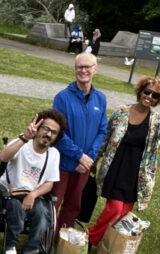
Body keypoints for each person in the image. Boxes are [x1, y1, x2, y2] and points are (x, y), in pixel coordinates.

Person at [88, 77, 160, 246]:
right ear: (140, 90)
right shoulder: (121, 112)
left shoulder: (156, 120)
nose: (150, 96)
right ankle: (91, 237)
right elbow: (106, 137)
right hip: (116, 167)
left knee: (123, 211)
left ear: (159, 100)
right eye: (147, 91)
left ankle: (108, 241)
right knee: (114, 208)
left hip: (137, 173)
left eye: (155, 95)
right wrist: (94, 159)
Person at [0, 110, 66, 254]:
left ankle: (30, 250)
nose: (48, 134)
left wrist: (33, 195)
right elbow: (3, 157)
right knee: (15, 212)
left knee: (43, 215)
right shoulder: (22, 143)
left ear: (57, 137)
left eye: (53, 132)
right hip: (10, 194)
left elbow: (49, 183)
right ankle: (10, 248)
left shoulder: (54, 154)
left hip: (33, 195)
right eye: (45, 129)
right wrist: (24, 138)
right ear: (38, 128)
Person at [52, 53, 108, 238]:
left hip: (85, 165)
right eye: (79, 67)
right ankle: (46, 242)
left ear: (95, 69)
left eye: (87, 67)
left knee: (74, 204)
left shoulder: (100, 98)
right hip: (63, 163)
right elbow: (58, 133)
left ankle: (63, 240)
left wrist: (88, 158)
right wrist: (79, 156)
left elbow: (102, 130)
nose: (83, 70)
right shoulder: (62, 98)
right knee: (54, 202)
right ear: (75, 69)